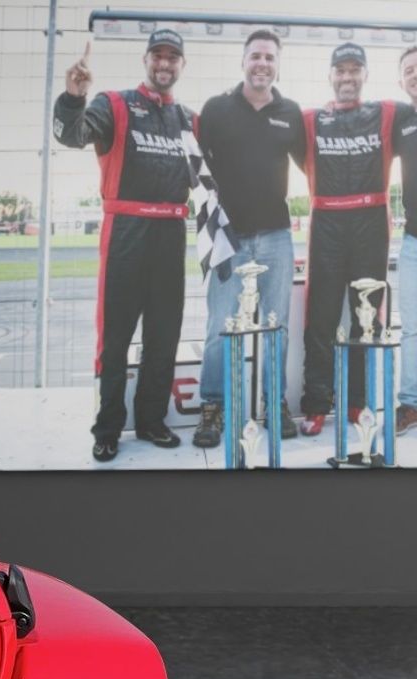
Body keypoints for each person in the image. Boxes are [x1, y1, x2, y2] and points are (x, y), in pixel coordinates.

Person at [55, 29, 195, 463]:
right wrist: (74, 97)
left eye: (173, 57)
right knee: (114, 339)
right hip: (126, 233)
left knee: (163, 336)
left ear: (182, 65)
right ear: (146, 60)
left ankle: (152, 421)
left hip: (172, 235)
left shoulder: (190, 119)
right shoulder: (114, 103)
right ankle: (108, 428)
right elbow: (71, 135)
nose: (165, 64)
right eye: (158, 56)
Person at [194, 30, 306, 449]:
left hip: (277, 235)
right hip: (229, 236)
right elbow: (194, 170)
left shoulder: (291, 112)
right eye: (256, 56)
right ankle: (214, 406)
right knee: (220, 326)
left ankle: (273, 403)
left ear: (278, 64)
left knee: (274, 326)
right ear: (244, 61)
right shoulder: (217, 108)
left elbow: (315, 168)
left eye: (270, 57)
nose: (263, 63)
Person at [298, 44, 399, 436]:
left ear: (365, 75)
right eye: (340, 70)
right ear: (330, 75)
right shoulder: (309, 119)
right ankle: (317, 404)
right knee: (320, 319)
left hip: (371, 225)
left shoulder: (388, 112)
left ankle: (357, 402)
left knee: (365, 321)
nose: (347, 77)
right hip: (326, 224)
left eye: (355, 70)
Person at [395, 47, 417, 434]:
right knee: (413, 328)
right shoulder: (399, 120)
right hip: (413, 241)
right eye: (409, 70)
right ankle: (411, 404)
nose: (415, 74)